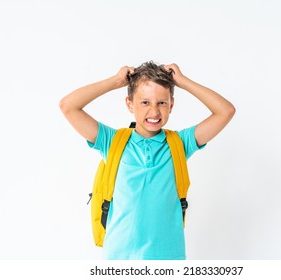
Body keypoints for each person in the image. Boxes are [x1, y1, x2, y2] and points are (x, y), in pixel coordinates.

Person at [59, 61, 235, 260]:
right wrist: (114, 81)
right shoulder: (112, 141)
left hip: (168, 259)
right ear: (129, 104)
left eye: (162, 102)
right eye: (145, 102)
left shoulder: (179, 143)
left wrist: (183, 82)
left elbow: (225, 111)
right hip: (119, 260)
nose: (154, 111)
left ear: (171, 105)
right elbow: (68, 106)